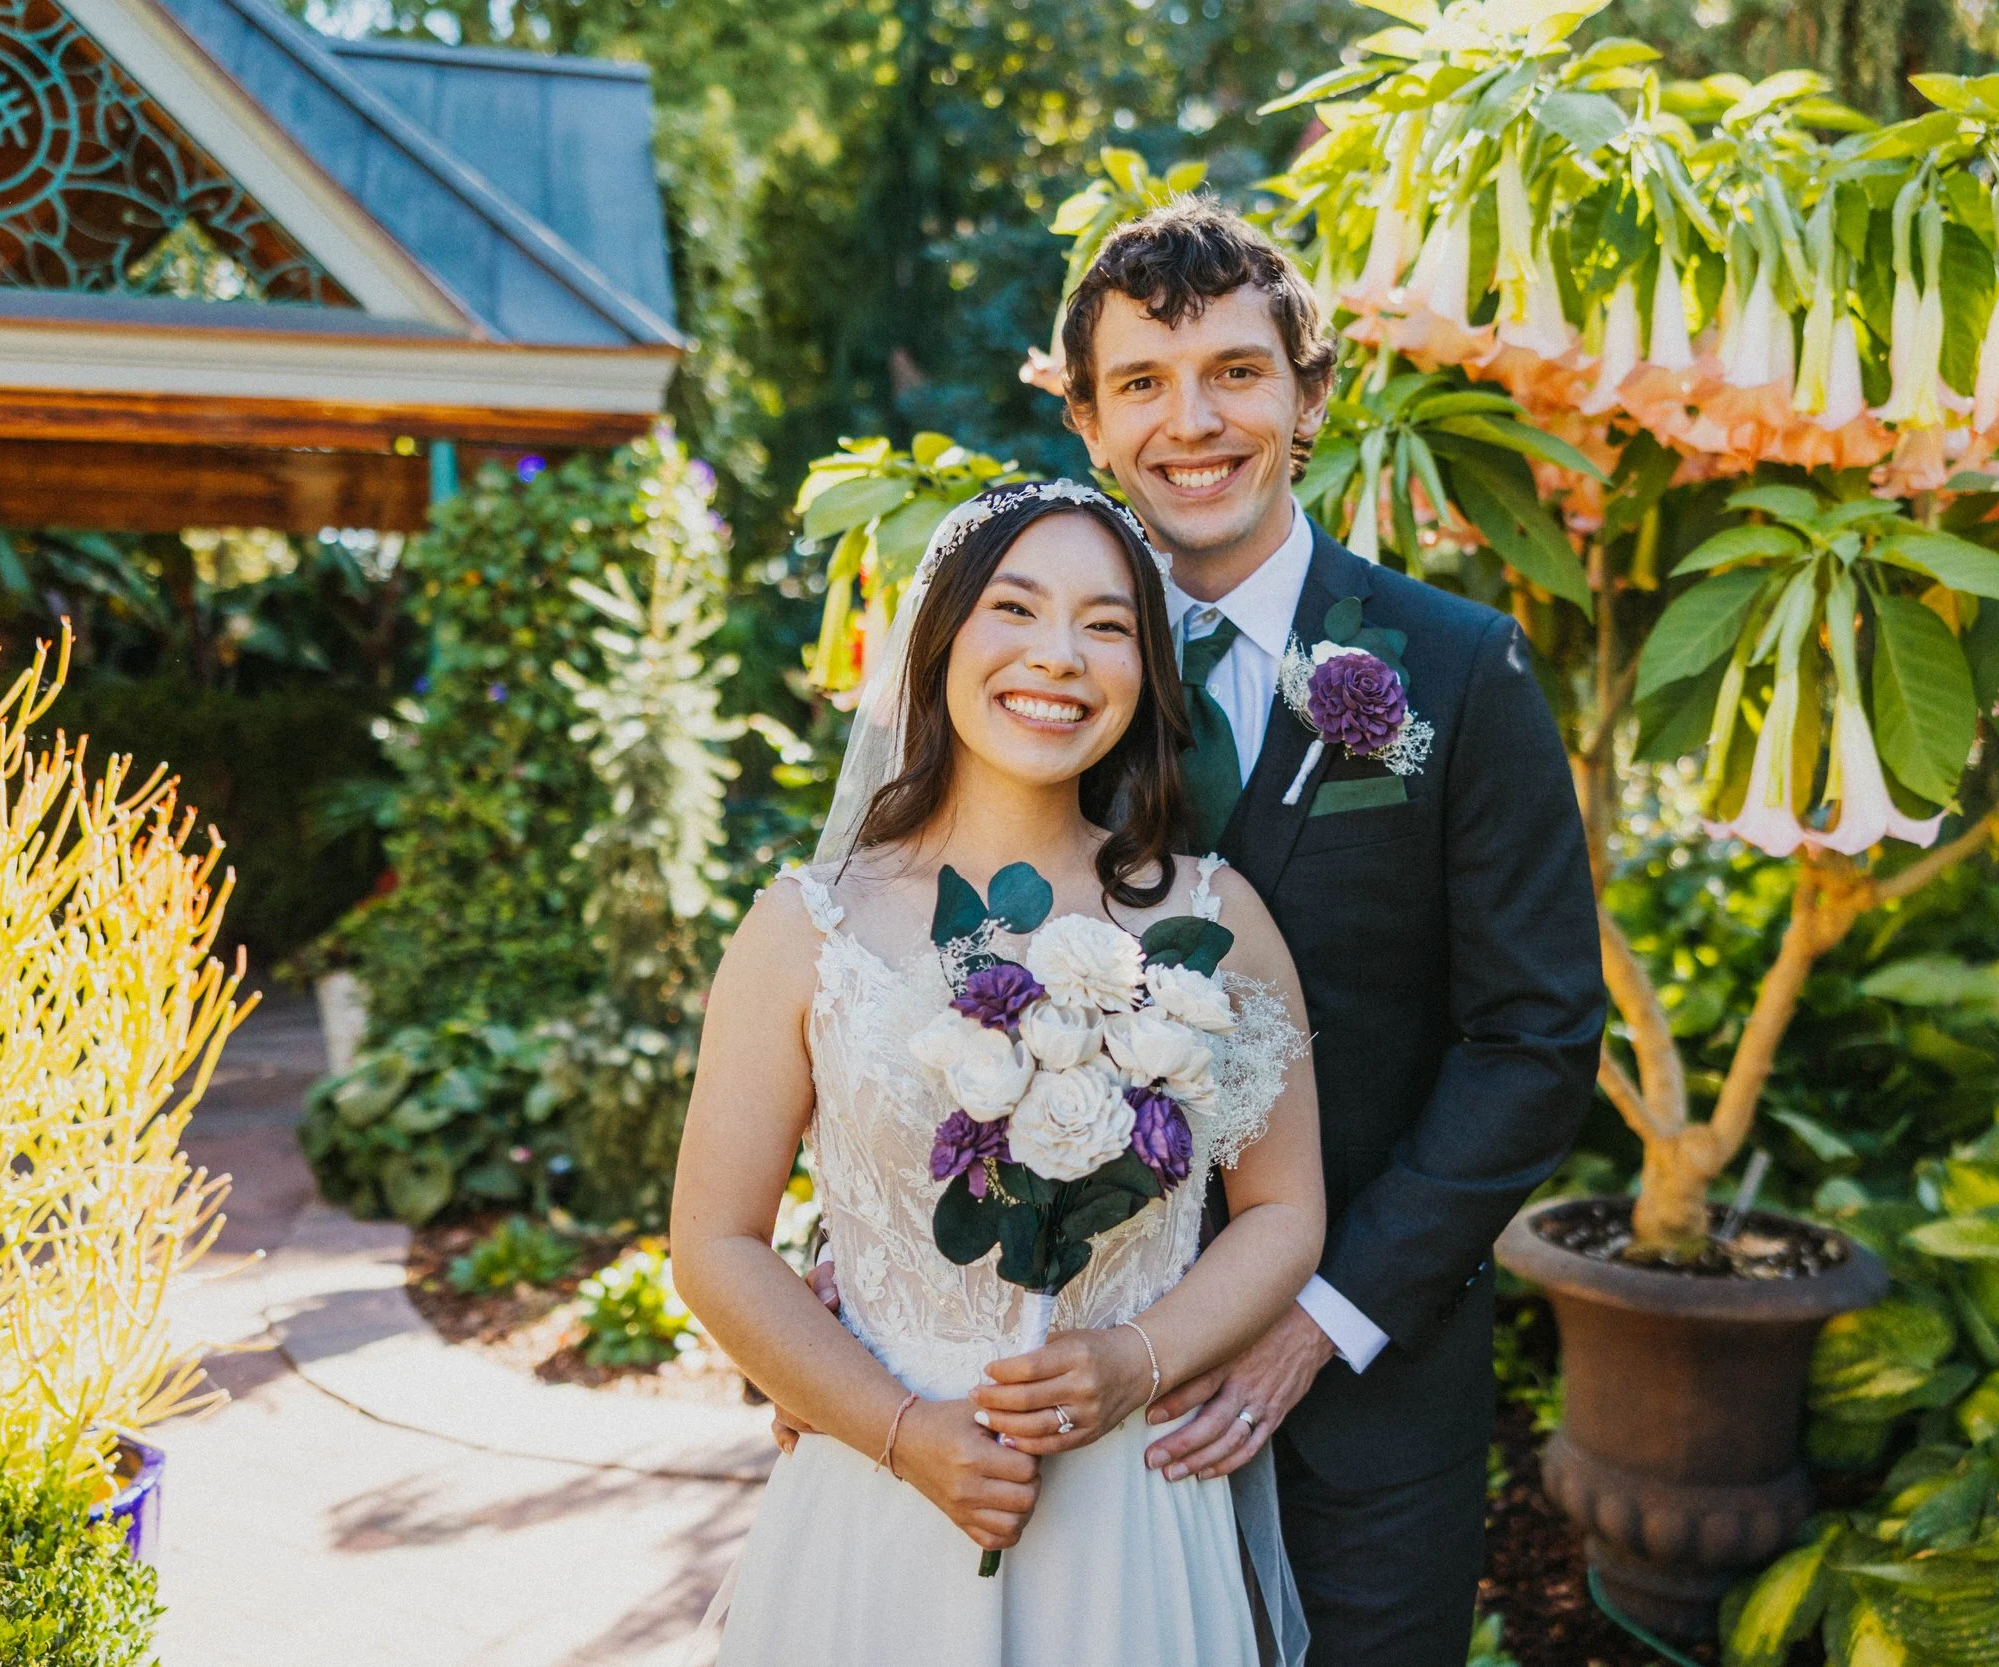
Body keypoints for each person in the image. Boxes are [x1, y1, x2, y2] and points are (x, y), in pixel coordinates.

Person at [790, 202, 1606, 1663]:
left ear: (1309, 395)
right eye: (1143, 383)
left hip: (1361, 1387)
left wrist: (1318, 1315)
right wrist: (861, 1248)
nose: (1193, 421)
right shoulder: (1035, 669)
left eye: (1235, 371)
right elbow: (893, 957)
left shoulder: (1457, 670)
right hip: (1041, 1383)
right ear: (1089, 421)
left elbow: (1535, 1036)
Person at [669, 481, 1329, 1666]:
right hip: (880, 1494)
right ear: (939, 640)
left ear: (1146, 671)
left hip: (1128, 1503)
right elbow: (714, 1241)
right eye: (1014, 608)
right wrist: (901, 1430)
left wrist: (1138, 1358)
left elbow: (1284, 1208)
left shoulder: (1216, 916)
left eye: (1106, 624)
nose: (1058, 655)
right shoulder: (806, 926)